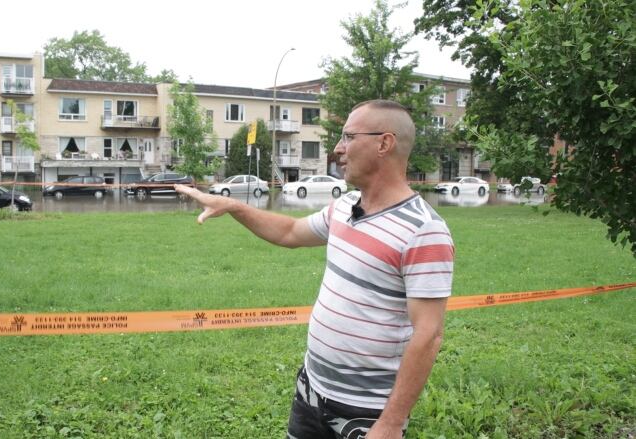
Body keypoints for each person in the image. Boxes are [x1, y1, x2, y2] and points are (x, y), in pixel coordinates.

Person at [175, 100, 454, 439]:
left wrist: (392, 423)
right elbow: (290, 232)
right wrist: (234, 206)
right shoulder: (346, 205)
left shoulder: (423, 230)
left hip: (365, 412)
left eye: (349, 137)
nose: (338, 149)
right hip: (311, 391)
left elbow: (428, 334)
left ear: (384, 143)